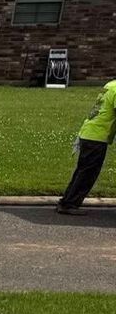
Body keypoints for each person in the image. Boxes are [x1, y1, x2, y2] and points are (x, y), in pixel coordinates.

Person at [58, 77, 116, 214]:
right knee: (87, 173)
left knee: (83, 171)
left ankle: (67, 201)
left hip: (89, 131)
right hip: (97, 135)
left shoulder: (111, 84)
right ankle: (69, 204)